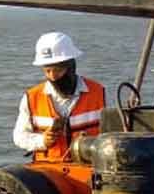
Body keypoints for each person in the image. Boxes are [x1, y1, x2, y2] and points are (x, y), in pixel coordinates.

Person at [13, 32, 106, 162]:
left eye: (57, 70)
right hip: (47, 173)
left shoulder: (99, 93)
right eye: (47, 71)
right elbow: (19, 137)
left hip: (88, 170)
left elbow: (114, 136)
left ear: (71, 66)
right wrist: (42, 140)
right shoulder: (32, 97)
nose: (53, 76)